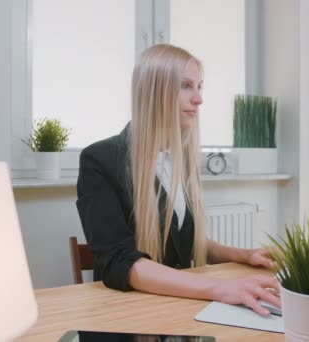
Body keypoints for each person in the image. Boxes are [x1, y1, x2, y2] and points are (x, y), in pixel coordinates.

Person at [76, 44, 280, 316]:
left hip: (176, 308)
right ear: (154, 91)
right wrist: (220, 287)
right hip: (129, 318)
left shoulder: (179, 159)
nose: (198, 99)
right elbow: (120, 262)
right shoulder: (99, 160)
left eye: (200, 86)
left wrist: (242, 255)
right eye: (186, 85)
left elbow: (183, 239)